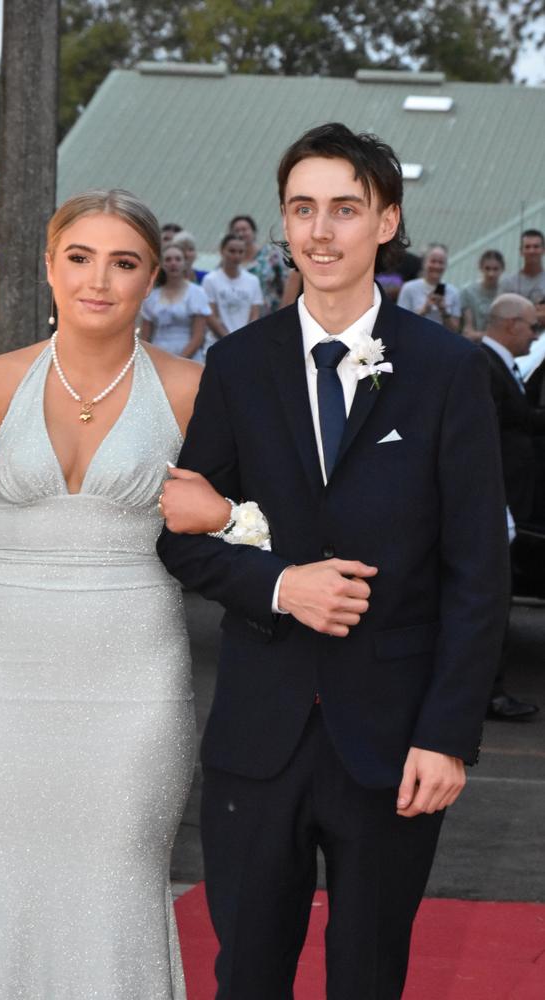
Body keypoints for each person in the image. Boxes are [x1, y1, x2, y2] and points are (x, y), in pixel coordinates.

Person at [157, 122, 509, 1000]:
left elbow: (477, 571)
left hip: (393, 742)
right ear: (282, 223)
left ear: (386, 221)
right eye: (302, 209)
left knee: (368, 976)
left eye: (345, 209)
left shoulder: (448, 370)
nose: (320, 231)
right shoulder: (235, 366)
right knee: (247, 977)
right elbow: (181, 534)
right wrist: (281, 583)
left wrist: (447, 733)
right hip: (257, 737)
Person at [0, 189, 205, 999]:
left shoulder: (191, 391)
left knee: (116, 883)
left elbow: (261, 526)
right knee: (0, 884)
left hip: (135, 688)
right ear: (46, 266)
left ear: (154, 277)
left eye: (124, 262)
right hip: (4, 686)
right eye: (79, 257)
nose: (98, 280)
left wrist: (228, 517)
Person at [481, 293, 542, 721]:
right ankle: (490, 692)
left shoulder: (502, 366)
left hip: (505, 500)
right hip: (493, 501)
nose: (534, 334)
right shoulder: (484, 365)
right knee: (490, 602)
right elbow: (488, 434)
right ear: (510, 325)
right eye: (530, 326)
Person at [141, 242, 211, 360]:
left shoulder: (197, 293)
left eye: (178, 259)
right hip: (158, 356)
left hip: (189, 358)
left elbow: (198, 336)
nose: (173, 263)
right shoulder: (152, 296)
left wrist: (178, 361)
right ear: (162, 264)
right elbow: (146, 336)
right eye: (168, 259)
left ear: (185, 263)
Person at [201, 234, 263, 341]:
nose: (236, 256)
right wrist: (228, 338)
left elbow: (255, 314)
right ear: (222, 251)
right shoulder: (210, 280)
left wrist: (245, 336)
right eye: (232, 251)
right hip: (217, 341)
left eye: (240, 252)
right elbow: (210, 315)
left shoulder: (253, 281)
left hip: (245, 341)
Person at [397, 243, 461, 332]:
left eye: (441, 262)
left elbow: (455, 331)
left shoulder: (453, 292)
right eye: (433, 261)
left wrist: (444, 311)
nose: (437, 266)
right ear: (424, 263)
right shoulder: (409, 288)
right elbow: (401, 323)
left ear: (446, 265)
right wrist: (424, 310)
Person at [230, 214, 285, 313]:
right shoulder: (230, 261)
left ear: (253, 232)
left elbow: (286, 280)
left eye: (244, 229)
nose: (241, 234)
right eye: (236, 231)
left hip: (271, 312)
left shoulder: (270, 254)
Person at [461, 250, 505, 341]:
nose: (491, 274)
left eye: (495, 269)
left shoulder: (506, 293)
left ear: (502, 269)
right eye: (487, 268)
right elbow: (468, 332)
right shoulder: (468, 292)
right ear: (480, 268)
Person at [500, 229, 545, 304]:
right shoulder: (508, 283)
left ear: (543, 250)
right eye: (527, 247)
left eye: (536, 247)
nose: (532, 251)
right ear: (521, 251)